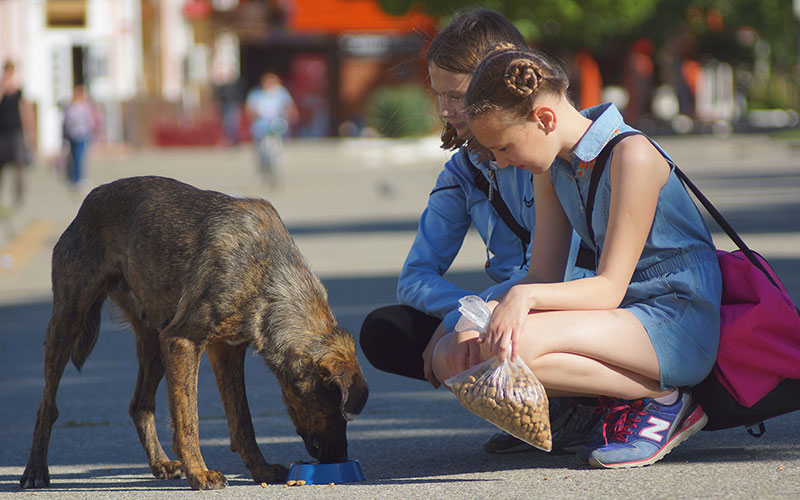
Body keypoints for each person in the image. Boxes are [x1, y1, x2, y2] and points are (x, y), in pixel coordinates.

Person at [431, 44, 722, 469]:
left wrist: (521, 302)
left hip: (675, 317)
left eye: (505, 147)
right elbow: (543, 275)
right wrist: (473, 317)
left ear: (544, 119)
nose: (502, 162)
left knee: (515, 349)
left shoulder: (632, 154)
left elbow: (608, 288)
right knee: (457, 349)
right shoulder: (553, 167)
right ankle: (594, 408)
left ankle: (663, 402)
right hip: (624, 317)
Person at [358, 9, 598, 456]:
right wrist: (468, 314)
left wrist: (468, 321)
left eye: (458, 95)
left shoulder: (552, 152)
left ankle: (596, 402)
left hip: (579, 303)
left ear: (501, 81)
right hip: (512, 309)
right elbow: (414, 278)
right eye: (438, 95)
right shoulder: (463, 170)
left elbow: (558, 275)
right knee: (383, 331)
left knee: (482, 333)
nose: (447, 111)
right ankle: (545, 406)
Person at [245, 72, 298, 187]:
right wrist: (256, 114)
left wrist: (291, 115)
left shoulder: (281, 93)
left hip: (277, 125)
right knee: (261, 151)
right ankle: (262, 172)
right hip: (261, 126)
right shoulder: (256, 94)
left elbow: (289, 106)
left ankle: (277, 172)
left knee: (277, 149)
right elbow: (250, 109)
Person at [0, 61, 32, 210]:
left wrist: (29, 132)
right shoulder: (2, 87)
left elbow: (24, 110)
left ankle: (19, 197)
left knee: (19, 166)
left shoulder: (18, 90)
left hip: (16, 131)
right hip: (2, 133)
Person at [63, 85, 101, 192]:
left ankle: (79, 178)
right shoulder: (72, 107)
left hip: (83, 134)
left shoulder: (85, 107)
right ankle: (76, 178)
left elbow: (92, 120)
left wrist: (95, 131)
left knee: (80, 157)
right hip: (73, 135)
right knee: (75, 157)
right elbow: (67, 122)